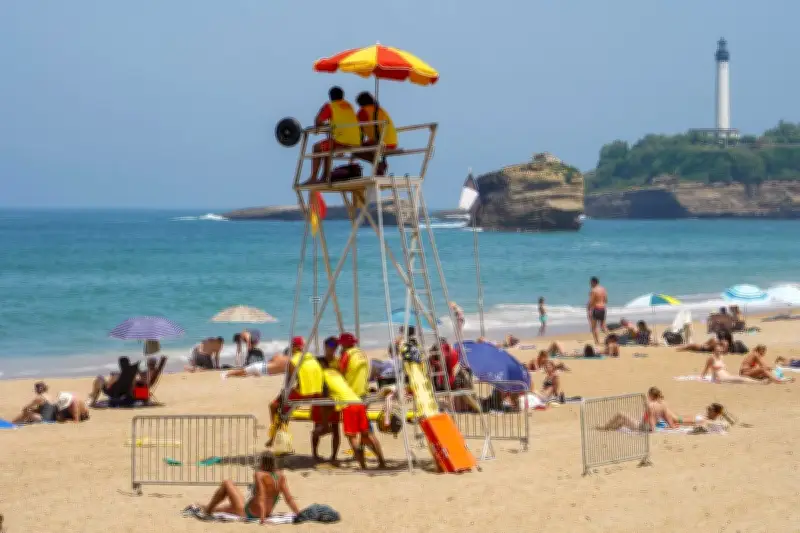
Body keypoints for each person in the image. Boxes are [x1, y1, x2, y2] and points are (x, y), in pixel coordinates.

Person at [195, 453, 300, 524]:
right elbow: (289, 498)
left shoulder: (260, 475)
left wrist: (262, 518)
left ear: (262, 463)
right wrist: (298, 513)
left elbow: (261, 496)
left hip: (249, 513)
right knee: (228, 507)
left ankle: (207, 511)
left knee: (227, 483)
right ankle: (207, 507)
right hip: (258, 511)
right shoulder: (281, 477)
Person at [323, 367, 386, 470]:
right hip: (358, 402)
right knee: (368, 435)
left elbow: (325, 396)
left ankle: (363, 466)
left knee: (352, 437)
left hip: (348, 406)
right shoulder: (336, 373)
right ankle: (382, 462)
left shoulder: (323, 376)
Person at [266, 337, 324, 446]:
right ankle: (276, 436)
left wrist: (283, 395)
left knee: (274, 407)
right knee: (284, 408)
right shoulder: (312, 358)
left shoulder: (293, 361)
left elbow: (289, 383)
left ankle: (274, 436)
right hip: (317, 393)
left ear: (294, 347)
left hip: (303, 393)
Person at [305, 86, 362, 184]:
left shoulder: (331, 106)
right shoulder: (349, 106)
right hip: (356, 141)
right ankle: (325, 177)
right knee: (326, 147)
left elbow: (318, 121)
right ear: (342, 96)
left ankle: (313, 177)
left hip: (342, 141)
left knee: (317, 147)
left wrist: (323, 124)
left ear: (330, 97)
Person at [311, 337, 342, 463]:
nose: (332, 348)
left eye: (335, 346)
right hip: (320, 396)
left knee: (335, 427)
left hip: (333, 396)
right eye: (330, 345)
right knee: (317, 425)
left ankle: (334, 456)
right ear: (325, 346)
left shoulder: (338, 362)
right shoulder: (318, 361)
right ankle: (315, 453)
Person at [355, 91, 396, 176]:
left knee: (355, 150)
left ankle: (378, 164)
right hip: (392, 143)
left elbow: (357, 129)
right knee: (365, 145)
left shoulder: (363, 111)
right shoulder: (380, 109)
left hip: (380, 143)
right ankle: (379, 164)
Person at [337, 333, 369, 398]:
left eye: (341, 344)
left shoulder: (347, 354)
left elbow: (340, 374)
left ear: (344, 344)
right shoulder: (361, 353)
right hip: (364, 392)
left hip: (352, 393)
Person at [587, 277, 608, 344]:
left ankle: (597, 342)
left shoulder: (593, 290)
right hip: (603, 309)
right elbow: (606, 300)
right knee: (603, 327)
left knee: (594, 327)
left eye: (591, 283)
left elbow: (591, 302)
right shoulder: (603, 289)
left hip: (596, 309)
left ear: (594, 282)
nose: (590, 284)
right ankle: (612, 338)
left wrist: (588, 310)